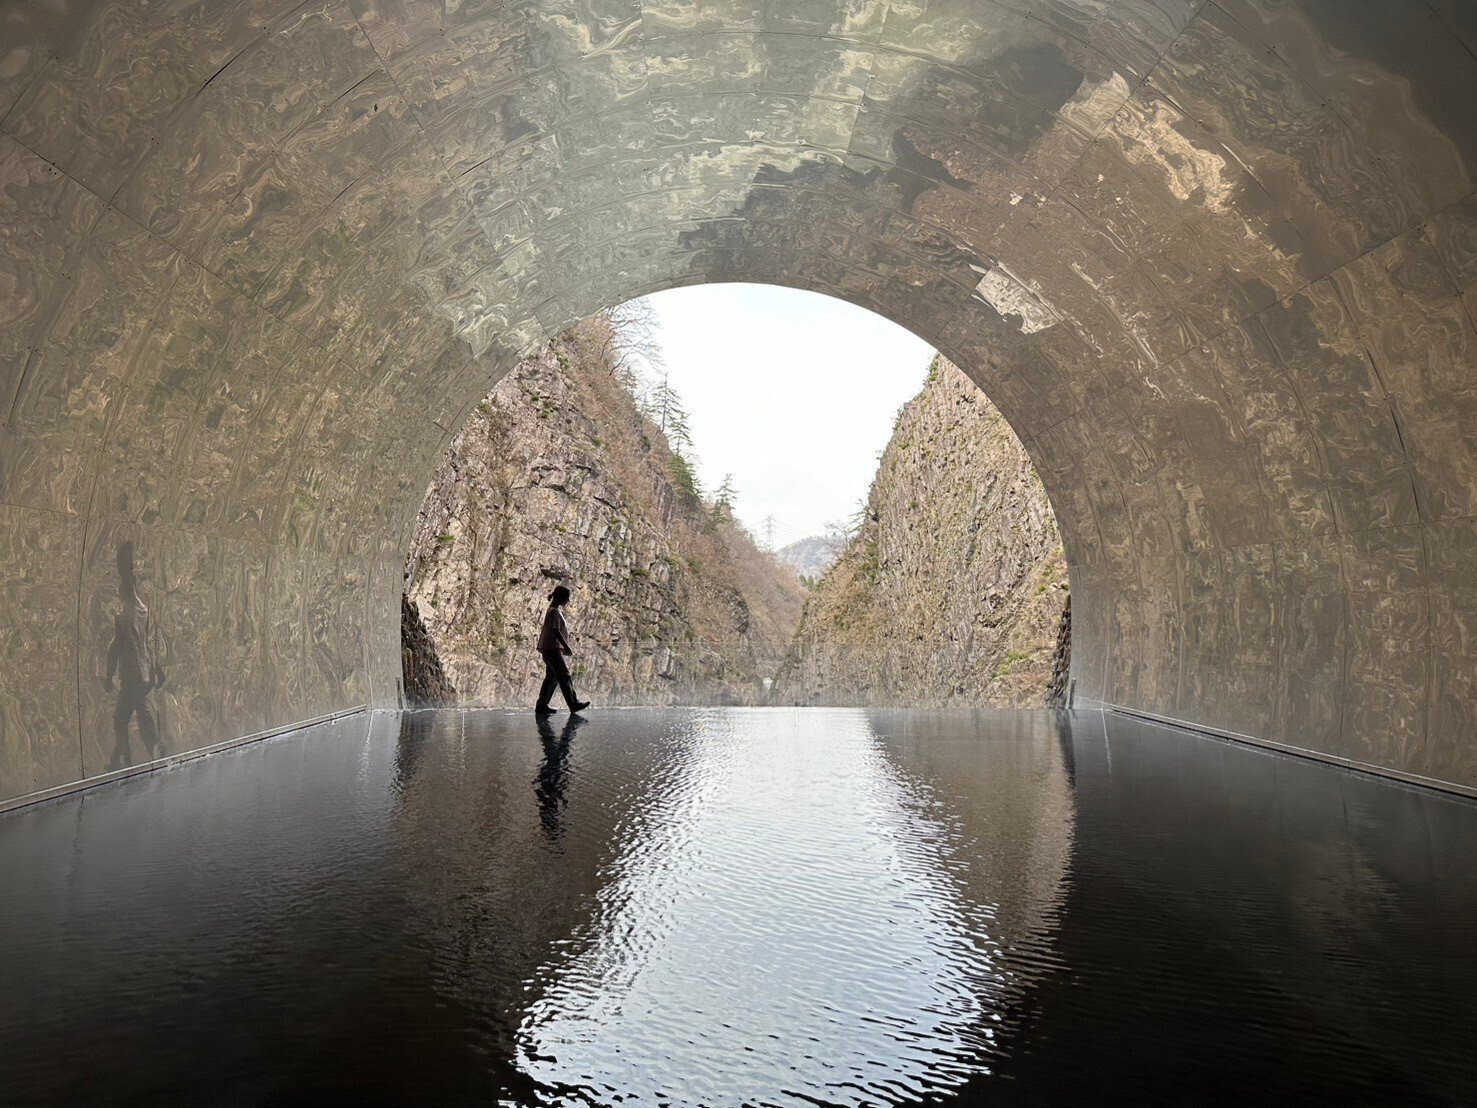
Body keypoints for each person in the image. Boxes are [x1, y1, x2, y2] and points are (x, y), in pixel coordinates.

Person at [104, 541, 165, 768]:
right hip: (145, 674)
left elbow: (114, 648)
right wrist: (157, 669)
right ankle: (154, 747)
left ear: (123, 590)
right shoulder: (143, 610)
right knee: (141, 709)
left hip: (131, 676)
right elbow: (147, 642)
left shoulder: (122, 617)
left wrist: (109, 676)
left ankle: (122, 758)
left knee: (120, 717)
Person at [535, 585, 589, 716]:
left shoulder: (553, 610)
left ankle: (542, 705)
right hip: (552, 650)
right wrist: (565, 646)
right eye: (567, 598)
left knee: (551, 678)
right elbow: (555, 630)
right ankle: (573, 703)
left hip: (550, 649)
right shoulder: (553, 612)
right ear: (560, 597)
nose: (568, 601)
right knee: (564, 676)